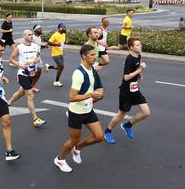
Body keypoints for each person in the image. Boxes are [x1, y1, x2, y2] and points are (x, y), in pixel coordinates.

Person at [54, 44, 104, 173]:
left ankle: (78, 148)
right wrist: (91, 95)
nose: (95, 57)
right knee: (73, 140)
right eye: (92, 55)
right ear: (83, 56)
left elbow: (99, 85)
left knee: (99, 137)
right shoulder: (78, 73)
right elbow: (72, 97)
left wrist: (99, 92)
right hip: (76, 112)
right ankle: (60, 159)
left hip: (88, 110)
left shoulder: (92, 70)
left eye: (95, 55)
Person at [104, 38, 150, 144]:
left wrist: (139, 75)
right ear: (131, 48)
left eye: (140, 44)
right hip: (126, 91)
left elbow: (135, 71)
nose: (140, 46)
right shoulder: (129, 59)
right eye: (137, 45)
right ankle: (107, 131)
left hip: (135, 89)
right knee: (121, 114)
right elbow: (126, 77)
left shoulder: (138, 56)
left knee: (146, 112)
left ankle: (127, 125)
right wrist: (140, 70)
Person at [8, 29, 46, 128]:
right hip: (22, 74)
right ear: (24, 36)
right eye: (29, 35)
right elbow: (11, 59)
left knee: (20, 93)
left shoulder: (36, 46)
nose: (31, 36)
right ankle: (35, 119)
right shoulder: (19, 47)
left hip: (31, 74)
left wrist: (37, 60)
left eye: (32, 34)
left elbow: (37, 57)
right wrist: (19, 65)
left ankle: (8, 103)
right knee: (30, 95)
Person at [31, 24, 48, 93]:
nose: (41, 30)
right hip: (33, 57)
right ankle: (30, 86)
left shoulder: (39, 37)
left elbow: (39, 47)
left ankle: (32, 85)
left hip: (38, 57)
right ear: (35, 31)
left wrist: (44, 46)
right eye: (39, 29)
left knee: (39, 72)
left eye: (41, 28)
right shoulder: (33, 38)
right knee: (34, 72)